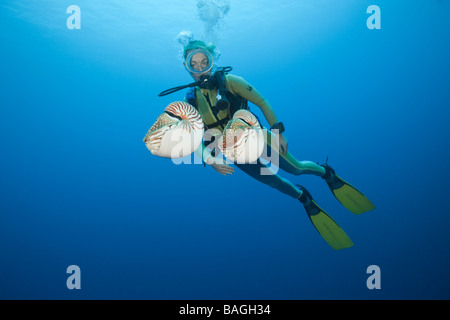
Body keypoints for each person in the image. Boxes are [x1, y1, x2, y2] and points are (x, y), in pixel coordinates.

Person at [159, 37, 375, 250]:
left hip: (259, 138)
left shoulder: (230, 81)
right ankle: (304, 198)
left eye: (204, 62)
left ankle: (325, 172)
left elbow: (261, 101)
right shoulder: (191, 102)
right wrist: (210, 159)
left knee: (296, 169)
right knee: (275, 182)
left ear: (212, 61)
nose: (200, 69)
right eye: (193, 65)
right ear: (187, 69)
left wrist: (278, 132)